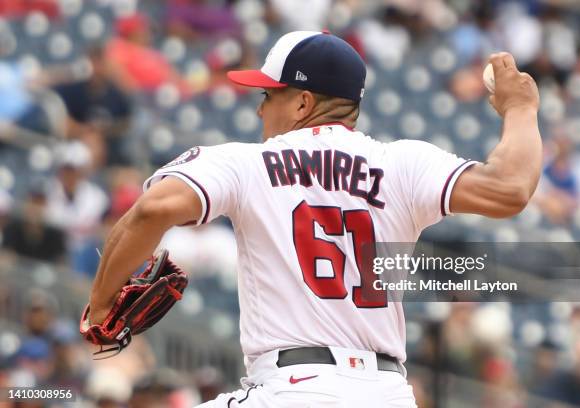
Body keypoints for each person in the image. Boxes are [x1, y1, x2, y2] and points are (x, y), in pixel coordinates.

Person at [87, 31, 542, 407]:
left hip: (292, 389)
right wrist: (520, 109)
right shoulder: (403, 164)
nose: (261, 108)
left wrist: (103, 305)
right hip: (387, 394)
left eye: (269, 94)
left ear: (303, 103)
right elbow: (510, 188)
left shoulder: (247, 164)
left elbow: (152, 209)